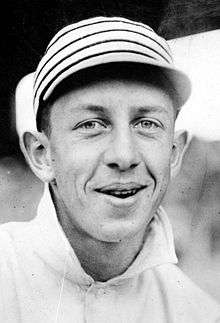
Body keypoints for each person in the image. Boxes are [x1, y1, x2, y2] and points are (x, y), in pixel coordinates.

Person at [0, 16, 219, 323]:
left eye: (147, 124)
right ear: (42, 154)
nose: (124, 156)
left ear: (174, 152)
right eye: (91, 124)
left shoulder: (197, 314)